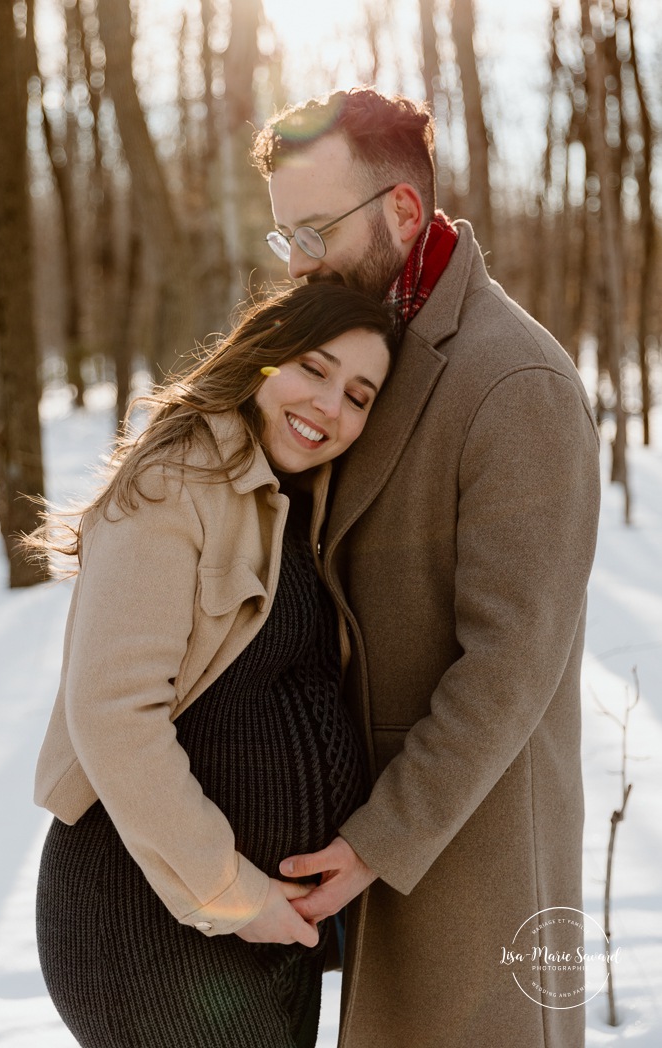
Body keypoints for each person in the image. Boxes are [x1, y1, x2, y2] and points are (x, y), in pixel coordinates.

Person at [251, 88, 601, 1048]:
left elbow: (511, 662)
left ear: (402, 213)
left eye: (316, 230)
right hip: (354, 846)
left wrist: (376, 840)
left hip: (468, 858)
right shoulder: (350, 357)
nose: (302, 262)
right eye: (287, 238)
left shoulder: (513, 379)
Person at [31, 281, 395, 1048]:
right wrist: (230, 893)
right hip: (147, 920)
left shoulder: (296, 499)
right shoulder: (179, 482)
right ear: (263, 361)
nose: (331, 406)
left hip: (265, 930)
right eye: (314, 369)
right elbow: (112, 714)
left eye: (359, 396)